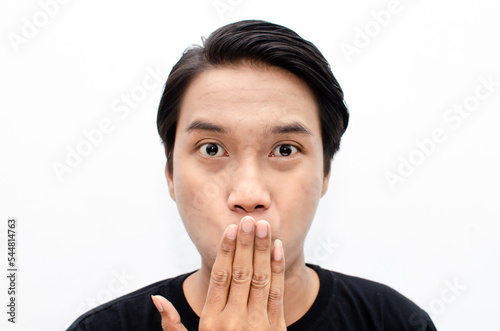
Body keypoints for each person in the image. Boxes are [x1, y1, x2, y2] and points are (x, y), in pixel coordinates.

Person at [67, 20, 437, 330]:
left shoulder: (397, 323)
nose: (248, 193)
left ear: (325, 173)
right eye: (211, 149)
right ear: (170, 174)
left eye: (285, 150)